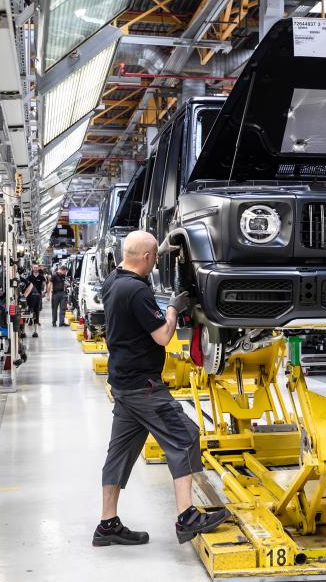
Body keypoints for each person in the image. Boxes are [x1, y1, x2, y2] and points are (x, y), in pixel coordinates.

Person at [94, 230, 229, 547]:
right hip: (145, 388)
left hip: (123, 384)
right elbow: (163, 336)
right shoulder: (136, 291)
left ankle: (107, 524)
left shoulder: (114, 281)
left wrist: (164, 249)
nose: (156, 262)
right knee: (185, 437)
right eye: (154, 257)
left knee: (119, 454)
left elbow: (136, 273)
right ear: (145, 257)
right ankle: (187, 517)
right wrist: (173, 308)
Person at [21, 264, 47, 338]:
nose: (35, 268)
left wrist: (43, 291)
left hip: (38, 295)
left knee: (37, 311)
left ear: (38, 268)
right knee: (26, 311)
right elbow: (25, 285)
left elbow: (44, 284)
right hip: (29, 297)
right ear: (32, 268)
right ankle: (24, 329)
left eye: (36, 267)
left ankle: (35, 329)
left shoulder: (41, 277)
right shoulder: (29, 277)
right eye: (34, 267)